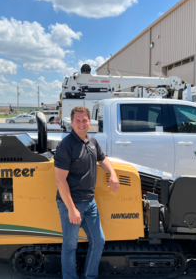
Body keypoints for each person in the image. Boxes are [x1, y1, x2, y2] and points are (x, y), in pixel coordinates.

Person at [54, 106, 119, 279]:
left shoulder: (91, 141)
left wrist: (112, 174)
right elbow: (60, 180)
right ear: (72, 123)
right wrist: (72, 209)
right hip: (72, 203)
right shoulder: (66, 145)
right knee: (70, 246)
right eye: (78, 120)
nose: (81, 124)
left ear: (90, 122)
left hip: (90, 203)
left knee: (98, 241)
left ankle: (89, 276)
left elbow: (103, 158)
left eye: (84, 120)